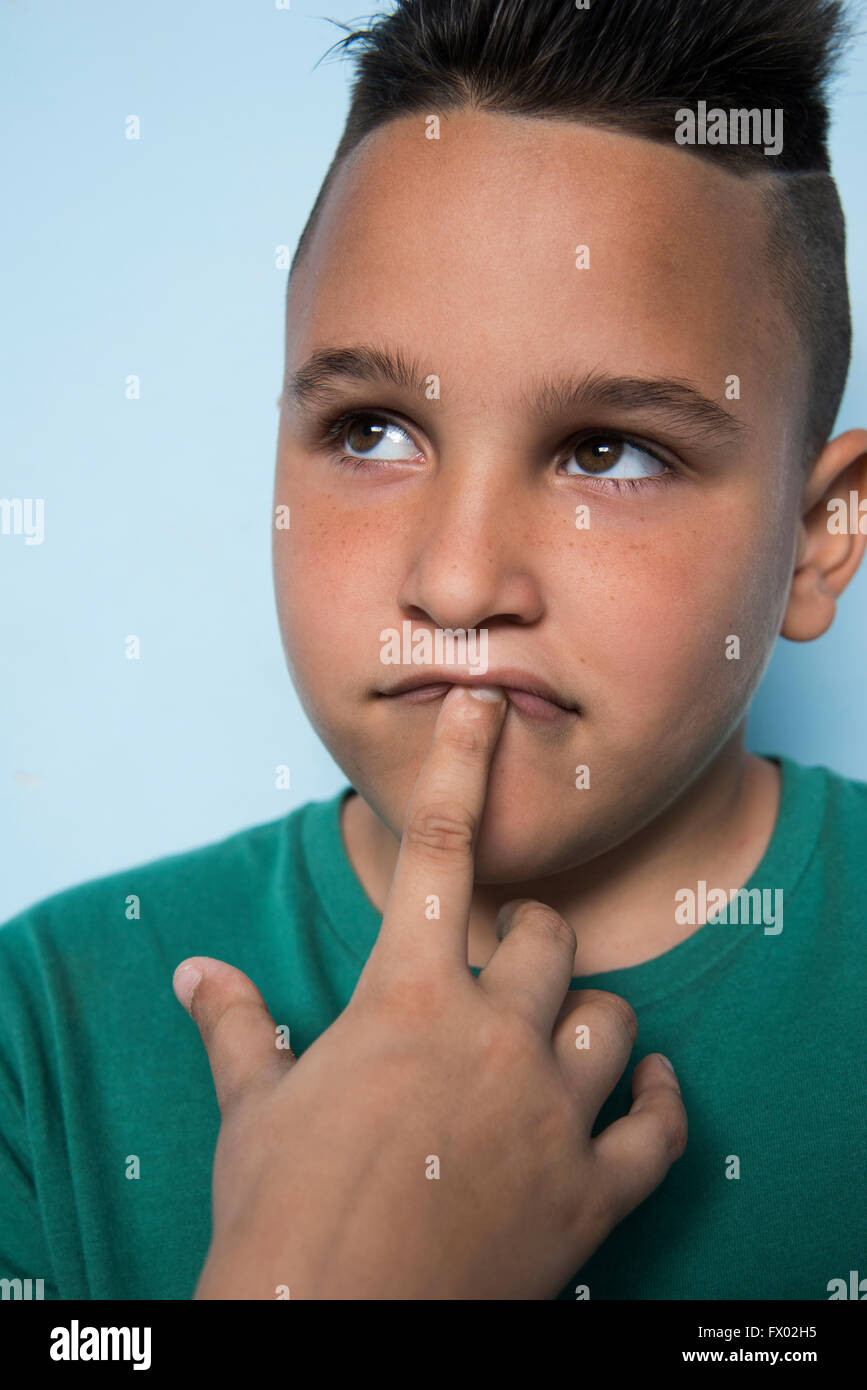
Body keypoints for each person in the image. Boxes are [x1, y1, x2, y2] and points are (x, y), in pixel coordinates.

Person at [1, 0, 865, 1301]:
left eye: (609, 453)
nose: (457, 581)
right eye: (371, 431)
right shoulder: (39, 1032)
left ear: (815, 541)